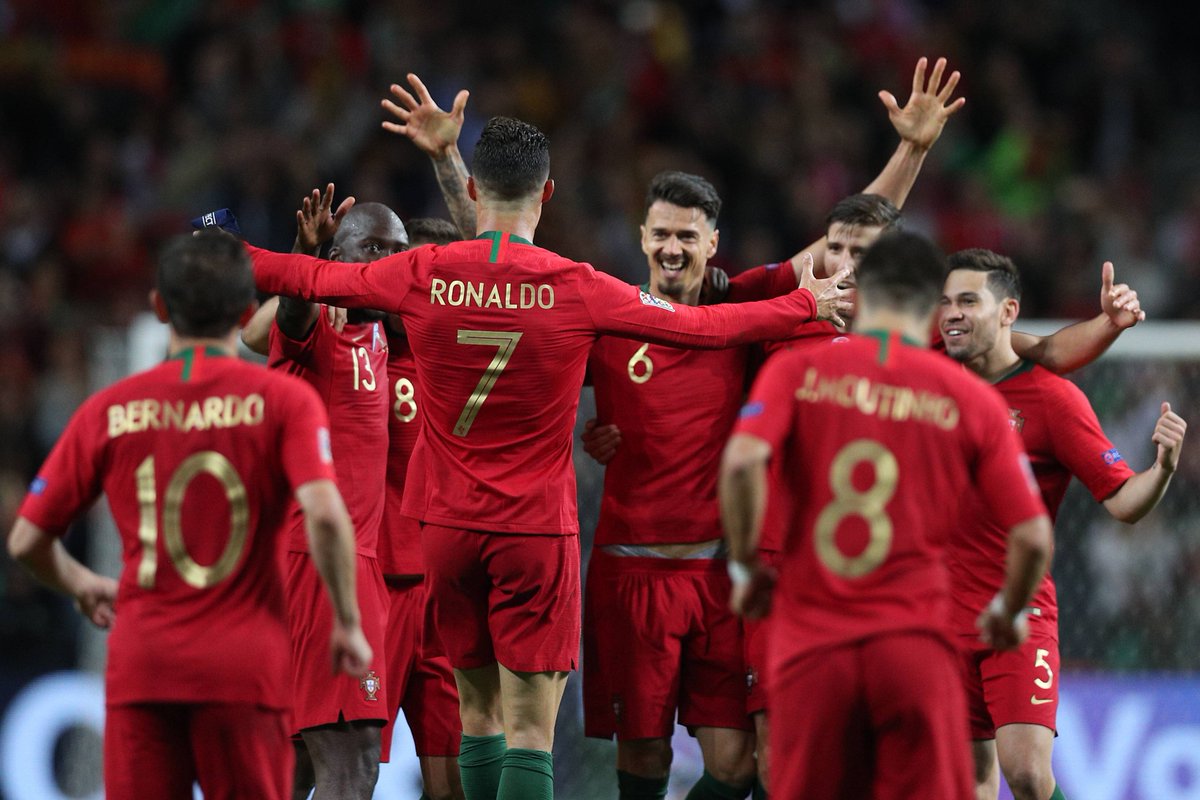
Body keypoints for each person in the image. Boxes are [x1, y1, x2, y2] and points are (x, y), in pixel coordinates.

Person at [385, 62, 964, 800]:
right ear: (642, 237)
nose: (672, 249)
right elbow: (504, 274)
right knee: (645, 767)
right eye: (661, 234)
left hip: (722, 572)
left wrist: (911, 152)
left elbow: (847, 247)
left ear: (711, 242)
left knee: (736, 766)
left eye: (687, 237)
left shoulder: (743, 305)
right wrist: (448, 163)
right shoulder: (605, 316)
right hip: (632, 571)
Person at [245, 113, 853, 800]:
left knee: (476, 720)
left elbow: (284, 272)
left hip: (444, 530)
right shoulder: (576, 284)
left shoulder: (421, 272)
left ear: (473, 191)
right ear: (549, 194)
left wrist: (215, 234)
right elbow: (705, 326)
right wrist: (805, 306)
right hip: (533, 530)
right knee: (526, 731)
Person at [6, 231, 371, 800]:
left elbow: (28, 538)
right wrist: (347, 620)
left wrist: (81, 584)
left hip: (143, 665)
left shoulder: (112, 408)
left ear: (158, 307)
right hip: (245, 668)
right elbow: (324, 514)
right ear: (250, 310)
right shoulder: (282, 401)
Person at [718, 230, 1054, 799]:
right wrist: (1008, 608)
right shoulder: (970, 398)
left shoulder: (797, 373)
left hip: (812, 645)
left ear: (861, 292)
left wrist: (748, 568)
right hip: (916, 647)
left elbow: (743, 461)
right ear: (931, 304)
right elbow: (1033, 533)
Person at [938, 248, 1188, 800]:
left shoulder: (1052, 401)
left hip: (1018, 613)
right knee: (965, 783)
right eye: (946, 302)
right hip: (936, 616)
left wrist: (1163, 468)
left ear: (1007, 311)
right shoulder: (928, 373)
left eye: (967, 301)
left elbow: (1124, 501)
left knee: (1025, 774)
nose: (951, 314)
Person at [242, 185, 401, 800]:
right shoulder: (316, 323)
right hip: (325, 564)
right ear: (337, 258)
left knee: (294, 769)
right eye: (373, 248)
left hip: (318, 563)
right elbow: (288, 318)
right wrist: (303, 265)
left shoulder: (382, 331)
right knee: (353, 762)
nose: (388, 262)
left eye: (399, 251)